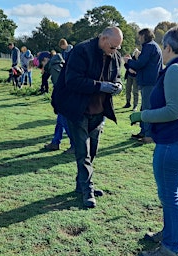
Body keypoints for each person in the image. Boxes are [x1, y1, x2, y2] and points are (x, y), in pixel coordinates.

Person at [130, 26, 178, 256]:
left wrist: (143, 115)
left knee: (169, 195)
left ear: (168, 47)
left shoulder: (175, 70)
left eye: (163, 47)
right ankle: (169, 234)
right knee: (174, 192)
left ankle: (170, 248)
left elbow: (173, 110)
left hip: (174, 139)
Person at [51, 26, 123, 208]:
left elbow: (117, 76)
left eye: (117, 48)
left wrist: (118, 85)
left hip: (98, 112)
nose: (115, 51)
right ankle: (87, 190)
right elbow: (73, 81)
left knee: (92, 152)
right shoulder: (81, 51)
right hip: (78, 110)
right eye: (113, 47)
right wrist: (100, 86)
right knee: (82, 153)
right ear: (104, 39)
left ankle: (81, 184)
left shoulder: (114, 55)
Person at [124, 28, 162, 144]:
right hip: (149, 81)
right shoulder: (152, 46)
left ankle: (149, 135)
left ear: (144, 36)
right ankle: (143, 131)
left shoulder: (149, 46)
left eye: (140, 36)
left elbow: (140, 63)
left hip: (149, 82)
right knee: (144, 108)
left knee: (147, 108)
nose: (138, 38)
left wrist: (128, 61)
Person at [43, 49, 74, 153]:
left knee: (64, 121)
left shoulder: (52, 66)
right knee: (60, 121)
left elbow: (58, 85)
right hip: (68, 96)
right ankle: (55, 142)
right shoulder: (63, 64)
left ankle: (74, 145)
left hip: (63, 97)